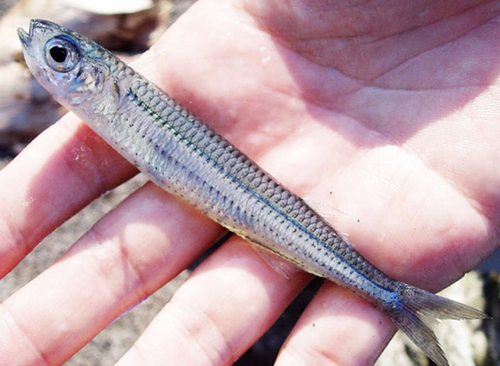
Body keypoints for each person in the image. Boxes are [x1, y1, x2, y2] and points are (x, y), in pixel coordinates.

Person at [0, 0, 498, 364]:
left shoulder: (122, 95)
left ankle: (392, 295)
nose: (46, 62)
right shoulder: (114, 101)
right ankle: (392, 296)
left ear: (99, 78)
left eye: (61, 56)